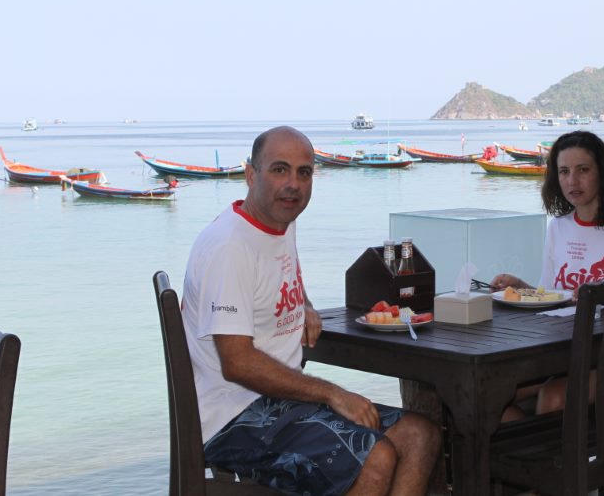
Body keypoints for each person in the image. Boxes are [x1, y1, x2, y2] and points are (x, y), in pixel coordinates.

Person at [182, 126, 439, 496]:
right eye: (279, 169)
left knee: (420, 435)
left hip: (283, 402)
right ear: (250, 174)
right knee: (376, 457)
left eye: (304, 173)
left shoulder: (280, 221)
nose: (293, 184)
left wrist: (304, 303)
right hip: (233, 416)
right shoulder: (229, 247)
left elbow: (279, 272)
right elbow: (236, 362)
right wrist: (331, 393)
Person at [489, 130, 604, 418]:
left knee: (554, 397)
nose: (572, 181)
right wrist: (521, 288)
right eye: (564, 171)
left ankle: (553, 461)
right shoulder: (558, 227)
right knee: (489, 395)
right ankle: (529, 461)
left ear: (603, 173)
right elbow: (553, 298)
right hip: (560, 354)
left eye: (583, 170)